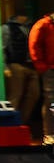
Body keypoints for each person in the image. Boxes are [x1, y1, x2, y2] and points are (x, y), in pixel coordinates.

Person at [31, 11, 54, 150]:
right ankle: (50, 134)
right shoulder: (43, 25)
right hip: (50, 68)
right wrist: (42, 66)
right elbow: (34, 45)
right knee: (51, 100)